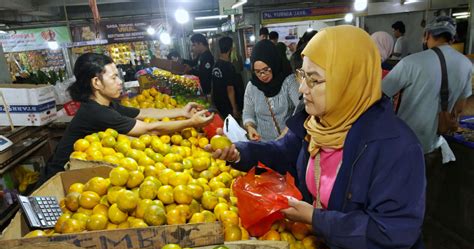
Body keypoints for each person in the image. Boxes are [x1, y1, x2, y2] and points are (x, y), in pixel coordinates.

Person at [209, 26, 426, 249]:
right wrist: (239, 153)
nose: (302, 88)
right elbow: (283, 151)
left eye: (314, 80)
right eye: (302, 75)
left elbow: (391, 231)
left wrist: (315, 218)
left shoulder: (395, 146)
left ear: (348, 80)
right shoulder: (315, 122)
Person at [43, 53, 213, 181]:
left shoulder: (107, 105)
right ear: (96, 83)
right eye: (114, 77)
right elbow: (149, 129)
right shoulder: (95, 113)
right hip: (57, 180)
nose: (120, 82)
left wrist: (181, 112)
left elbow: (144, 113)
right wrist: (191, 122)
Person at [382, 16, 471, 214]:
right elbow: (460, 107)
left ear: (427, 35)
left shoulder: (412, 62)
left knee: (398, 195)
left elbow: (381, 93)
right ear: (452, 37)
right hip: (434, 143)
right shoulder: (466, 64)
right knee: (421, 195)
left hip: (405, 144)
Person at [242, 40, 300, 141]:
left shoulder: (288, 81)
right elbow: (248, 113)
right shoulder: (252, 86)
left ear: (274, 63)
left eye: (266, 69)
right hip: (264, 145)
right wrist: (250, 127)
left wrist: (288, 130)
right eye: (258, 72)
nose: (262, 75)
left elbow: (301, 107)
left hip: (289, 141)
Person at [211, 37, 241, 120]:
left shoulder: (216, 64)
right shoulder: (228, 67)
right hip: (227, 105)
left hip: (218, 103)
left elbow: (213, 85)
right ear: (230, 48)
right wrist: (234, 108)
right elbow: (230, 89)